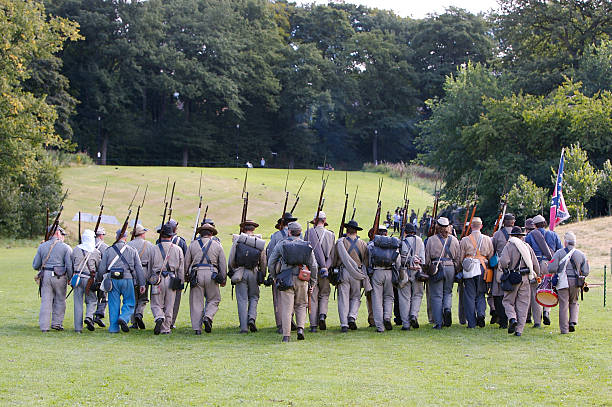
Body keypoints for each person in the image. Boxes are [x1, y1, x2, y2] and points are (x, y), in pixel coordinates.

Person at [268, 222, 318, 342]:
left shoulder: (282, 244)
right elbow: (314, 266)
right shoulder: (307, 246)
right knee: (301, 305)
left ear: (289, 232)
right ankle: (300, 328)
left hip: (286, 279)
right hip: (302, 278)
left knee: (286, 307)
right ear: (300, 232)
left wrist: (274, 276)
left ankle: (286, 335)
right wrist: (313, 282)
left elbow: (271, 262)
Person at [96, 228, 146, 333]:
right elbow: (139, 269)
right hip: (127, 279)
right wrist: (142, 284)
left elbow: (101, 268)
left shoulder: (108, 250)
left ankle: (114, 328)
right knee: (129, 302)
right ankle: (123, 318)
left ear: (116, 237)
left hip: (112, 280)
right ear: (125, 238)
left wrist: (99, 280)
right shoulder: (132, 250)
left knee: (113, 304)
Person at [185, 223, 227, 334]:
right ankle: (208, 316)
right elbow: (222, 263)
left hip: (196, 274)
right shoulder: (217, 245)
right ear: (211, 233)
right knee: (214, 299)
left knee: (196, 302)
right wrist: (223, 279)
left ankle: (197, 329)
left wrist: (186, 276)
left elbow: (186, 262)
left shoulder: (192, 245)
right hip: (212, 274)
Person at [499, 226, 540, 337]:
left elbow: (503, 261)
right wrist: (537, 274)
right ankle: (519, 330)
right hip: (526, 277)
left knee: (507, 301)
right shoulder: (527, 247)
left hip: (513, 276)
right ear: (521, 236)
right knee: (523, 304)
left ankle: (512, 318)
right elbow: (535, 263)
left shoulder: (509, 246)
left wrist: (506, 269)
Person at [227, 220, 266, 333]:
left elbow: (231, 260)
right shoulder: (259, 242)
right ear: (253, 229)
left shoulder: (238, 241)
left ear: (243, 229)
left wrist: (233, 271)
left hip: (240, 272)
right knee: (254, 297)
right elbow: (263, 261)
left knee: (242, 299)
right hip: (254, 271)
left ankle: (244, 327)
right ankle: (252, 318)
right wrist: (262, 274)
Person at [33, 226, 73, 332]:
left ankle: (44, 327)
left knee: (45, 302)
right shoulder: (66, 247)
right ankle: (57, 323)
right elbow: (69, 266)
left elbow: (35, 265)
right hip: (60, 277)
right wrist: (70, 278)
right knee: (60, 300)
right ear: (58, 233)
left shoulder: (42, 246)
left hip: (45, 276)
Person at [548, 232, 589, 334]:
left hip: (562, 282)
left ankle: (564, 329)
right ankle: (572, 322)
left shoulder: (559, 253)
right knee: (574, 302)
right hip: (576, 282)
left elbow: (552, 268)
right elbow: (586, 272)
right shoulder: (581, 254)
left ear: (565, 242)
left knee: (563, 305)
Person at [525, 214, 562, 326]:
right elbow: (559, 251)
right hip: (550, 265)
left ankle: (537, 321)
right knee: (549, 289)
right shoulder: (553, 235)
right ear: (544, 223)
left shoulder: (530, 235)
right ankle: (546, 311)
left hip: (536, 266)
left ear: (535, 225)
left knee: (535, 292)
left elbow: (527, 252)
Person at [334, 220, 371, 332]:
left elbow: (335, 259)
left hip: (344, 272)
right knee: (356, 297)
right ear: (356, 231)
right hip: (357, 273)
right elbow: (366, 261)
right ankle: (352, 316)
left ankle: (344, 324)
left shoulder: (341, 242)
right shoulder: (363, 244)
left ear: (347, 230)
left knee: (343, 298)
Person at [148, 223, 184, 335]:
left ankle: (159, 316)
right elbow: (181, 268)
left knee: (156, 303)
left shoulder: (153, 249)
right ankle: (166, 328)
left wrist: (149, 279)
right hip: (172, 278)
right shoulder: (178, 249)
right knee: (170, 305)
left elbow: (150, 267)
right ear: (171, 236)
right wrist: (180, 282)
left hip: (157, 279)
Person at [424, 217, 460, 329]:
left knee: (436, 296)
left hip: (436, 267)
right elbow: (458, 258)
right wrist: (456, 270)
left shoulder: (431, 240)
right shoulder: (454, 240)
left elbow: (427, 258)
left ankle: (438, 322)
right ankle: (447, 309)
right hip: (451, 267)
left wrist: (427, 269)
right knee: (448, 292)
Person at [459, 217, 494, 328]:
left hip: (469, 268)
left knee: (469, 296)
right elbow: (491, 255)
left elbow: (460, 257)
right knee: (480, 294)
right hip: (483, 267)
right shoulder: (487, 239)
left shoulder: (465, 240)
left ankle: (472, 322)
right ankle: (481, 314)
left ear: (471, 226)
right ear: (481, 226)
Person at [266, 212, 297, 333]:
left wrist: (272, 273)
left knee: (278, 298)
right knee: (293, 296)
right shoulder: (299, 235)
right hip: (294, 269)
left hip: (280, 270)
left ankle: (281, 324)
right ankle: (290, 321)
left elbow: (270, 255)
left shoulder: (275, 236)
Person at [304, 211, 335, 332]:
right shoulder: (331, 235)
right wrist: (326, 267)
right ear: (324, 220)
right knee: (325, 294)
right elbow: (332, 255)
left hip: (312, 270)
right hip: (325, 270)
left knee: (313, 296)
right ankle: (322, 315)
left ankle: (313, 325)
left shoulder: (309, 233)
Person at [367, 228, 401, 332]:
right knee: (389, 297)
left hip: (377, 272)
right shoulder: (393, 244)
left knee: (377, 299)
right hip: (389, 272)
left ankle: (380, 327)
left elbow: (368, 260)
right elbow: (398, 260)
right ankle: (387, 317)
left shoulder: (372, 245)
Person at [70, 229, 101, 332]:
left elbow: (71, 264)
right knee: (92, 300)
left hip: (77, 278)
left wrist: (71, 279)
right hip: (89, 279)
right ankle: (89, 317)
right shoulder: (96, 252)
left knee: (78, 303)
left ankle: (78, 328)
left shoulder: (75, 250)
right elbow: (98, 267)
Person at [397, 223, 425, 330]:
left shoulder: (401, 242)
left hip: (404, 272)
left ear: (405, 232)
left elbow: (398, 260)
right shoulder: (420, 241)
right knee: (417, 295)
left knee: (405, 298)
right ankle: (413, 314)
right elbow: (423, 259)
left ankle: (406, 324)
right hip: (417, 271)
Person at [127, 224, 154, 329]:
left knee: (133, 297)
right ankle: (139, 313)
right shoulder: (150, 245)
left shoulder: (128, 244)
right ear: (143, 234)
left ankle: (134, 322)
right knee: (143, 298)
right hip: (145, 272)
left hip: (132, 273)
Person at [491, 213, 515, 328]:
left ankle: (503, 320)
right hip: (514, 268)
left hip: (500, 267)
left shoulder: (497, 234)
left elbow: (492, 250)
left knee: (498, 294)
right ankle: (512, 318)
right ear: (513, 222)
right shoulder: (517, 234)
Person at [93, 226, 109, 328]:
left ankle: (90, 316)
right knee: (103, 297)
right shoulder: (105, 247)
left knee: (90, 298)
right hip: (101, 276)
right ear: (101, 235)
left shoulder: (87, 245)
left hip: (89, 275)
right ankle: (98, 315)